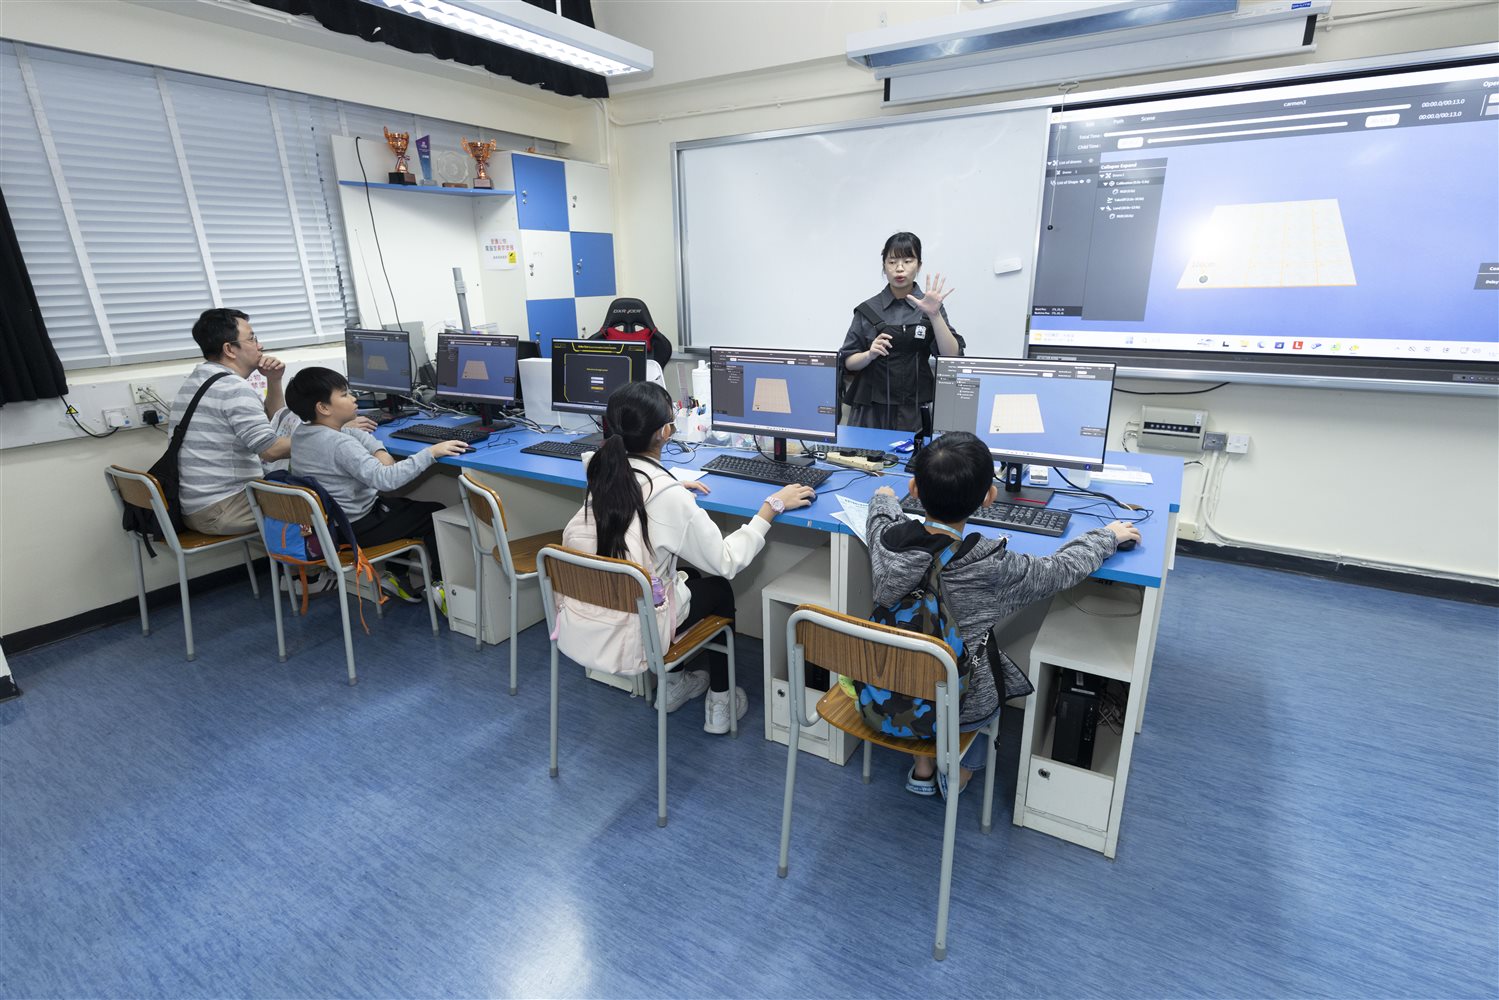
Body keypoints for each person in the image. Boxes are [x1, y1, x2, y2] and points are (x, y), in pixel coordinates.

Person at [866, 431, 1140, 798]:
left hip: (887, 688)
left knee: (925, 662)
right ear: (989, 497)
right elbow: (1060, 569)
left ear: (913, 488)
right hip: (960, 706)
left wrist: (883, 497)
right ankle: (960, 771)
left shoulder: (886, 545)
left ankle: (923, 767)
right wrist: (1107, 536)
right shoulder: (992, 566)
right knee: (982, 681)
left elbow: (879, 520)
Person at [565, 381, 815, 734]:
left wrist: (669, 489)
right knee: (719, 588)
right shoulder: (667, 496)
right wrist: (771, 507)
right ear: (665, 432)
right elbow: (727, 561)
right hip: (639, 628)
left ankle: (674, 684)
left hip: (597, 613)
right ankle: (721, 702)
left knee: (690, 577)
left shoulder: (602, 472)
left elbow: (638, 506)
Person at [284, 366, 466, 603]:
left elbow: (351, 435)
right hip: (355, 528)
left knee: (402, 507)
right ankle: (440, 587)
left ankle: (395, 576)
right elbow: (386, 480)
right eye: (344, 394)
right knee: (433, 513)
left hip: (330, 527)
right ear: (324, 408)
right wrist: (431, 452)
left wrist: (377, 448)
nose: (354, 398)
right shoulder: (339, 444)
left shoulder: (303, 433)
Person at [172, 308, 292, 536]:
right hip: (222, 508)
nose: (260, 345)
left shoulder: (200, 379)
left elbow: (273, 422)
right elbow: (271, 450)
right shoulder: (233, 388)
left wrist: (274, 380)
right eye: (252, 339)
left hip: (197, 505)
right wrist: (329, 435)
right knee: (320, 496)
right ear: (229, 349)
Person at [838, 232, 965, 433]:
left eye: (907, 261)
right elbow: (848, 361)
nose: (899, 268)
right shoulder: (868, 309)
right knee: (865, 452)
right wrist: (869, 354)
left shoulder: (931, 306)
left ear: (919, 265)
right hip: (870, 410)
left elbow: (951, 356)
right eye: (892, 262)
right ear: (884, 266)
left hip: (916, 408)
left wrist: (934, 314)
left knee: (917, 453)